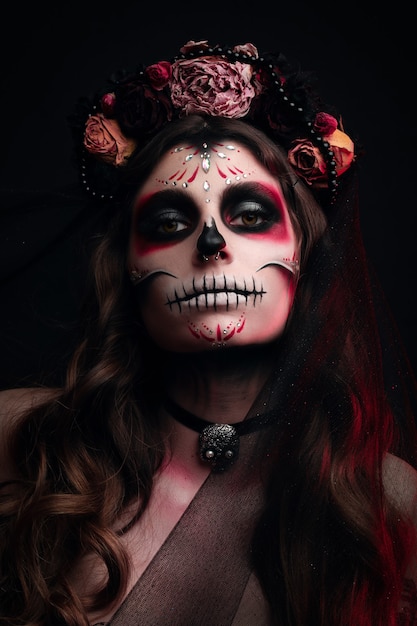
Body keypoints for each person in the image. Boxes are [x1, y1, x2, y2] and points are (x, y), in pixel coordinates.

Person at [1, 38, 417, 626]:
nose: (212, 244)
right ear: (128, 266)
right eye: (170, 221)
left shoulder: (389, 501)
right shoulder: (23, 441)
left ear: (306, 251)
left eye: (250, 215)